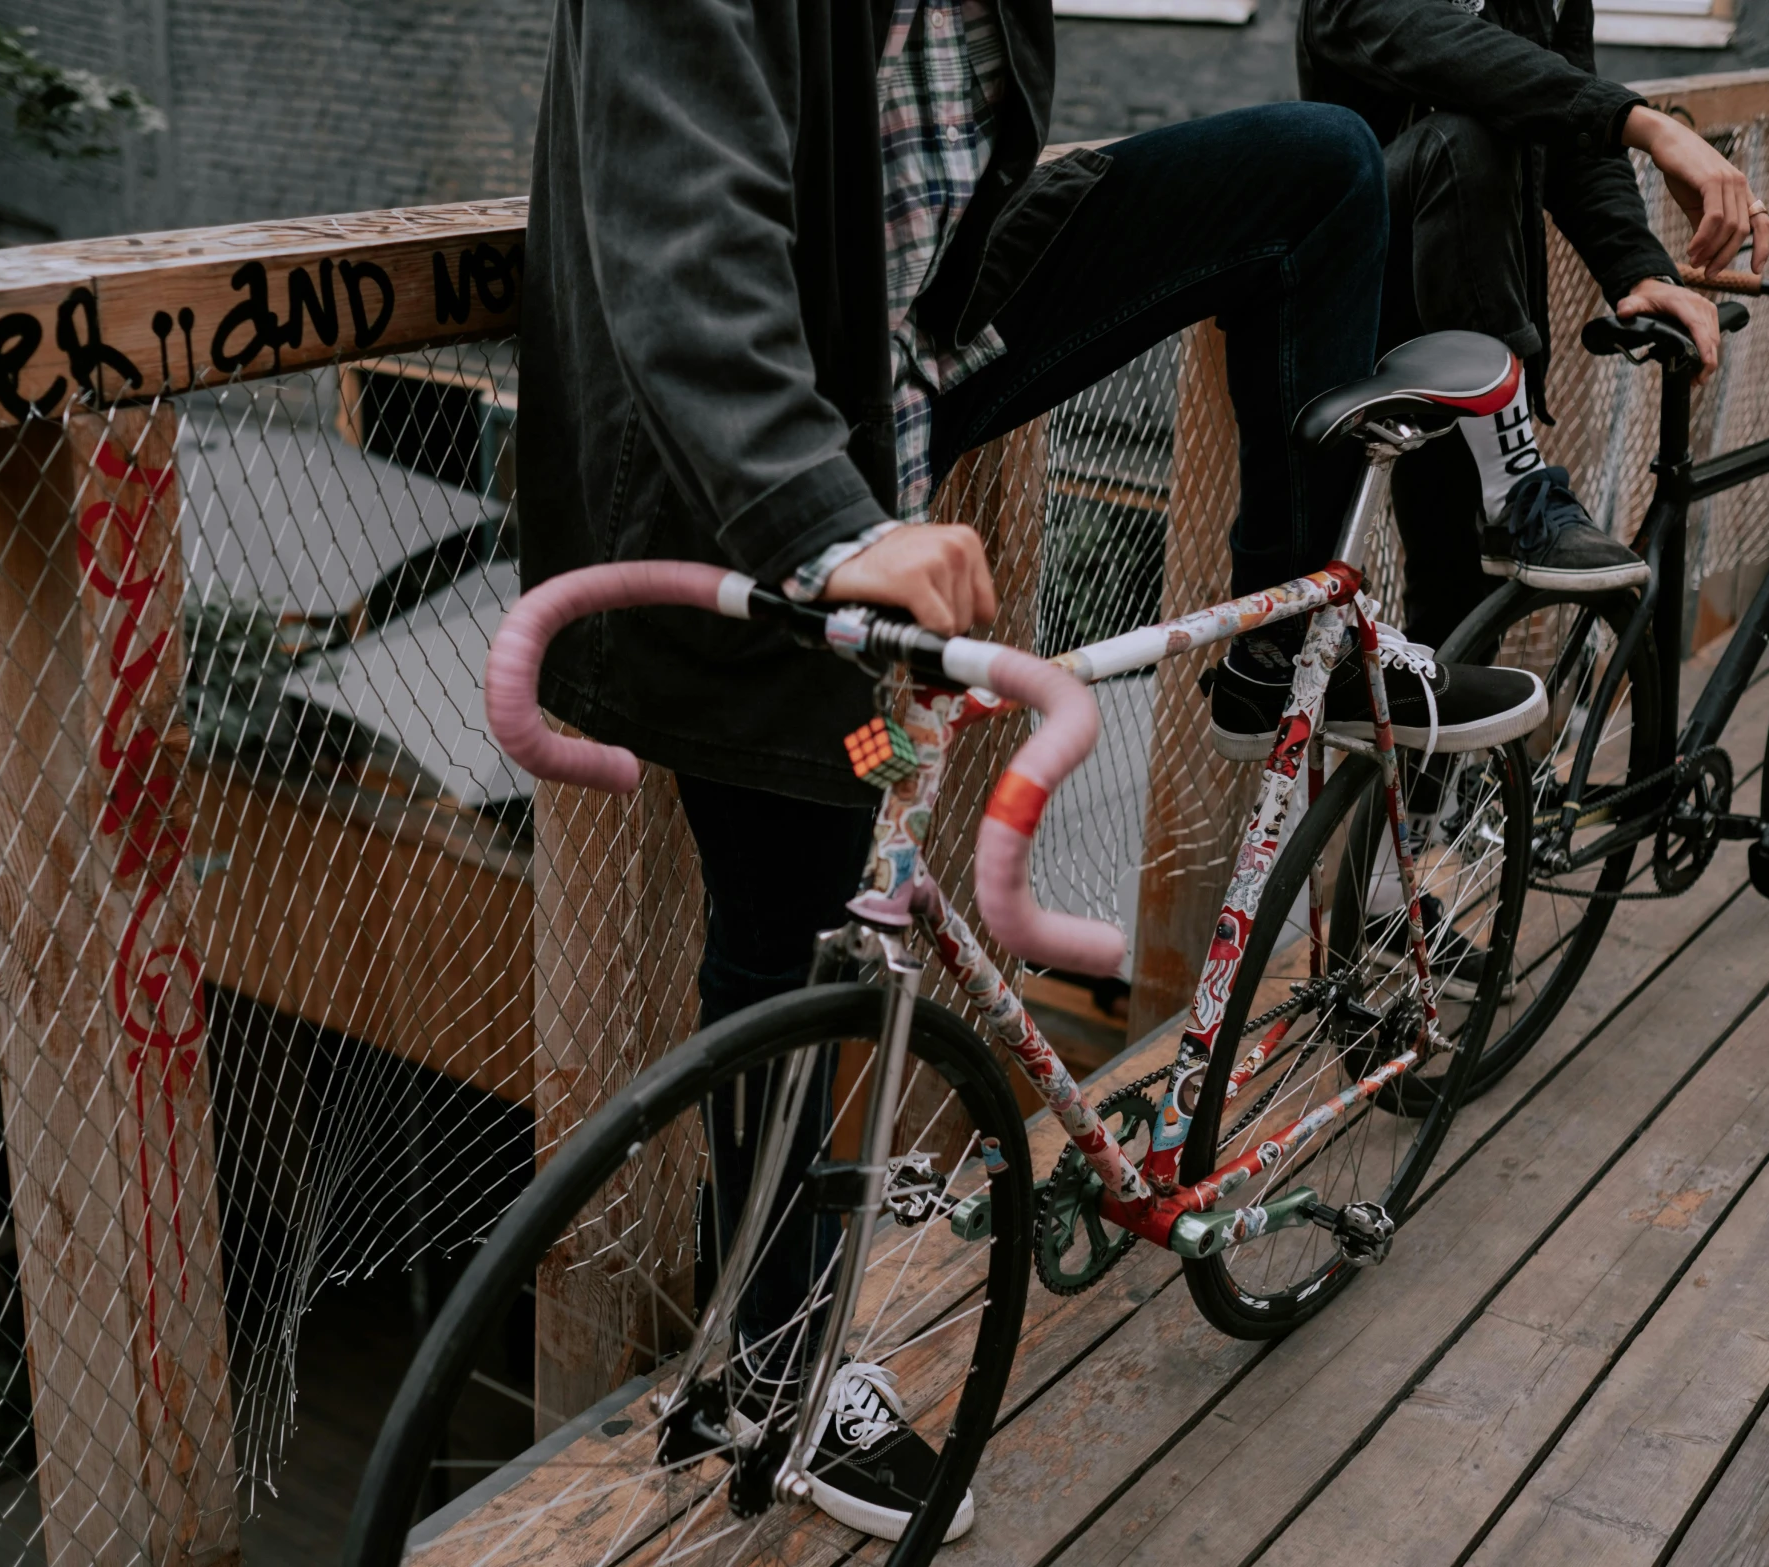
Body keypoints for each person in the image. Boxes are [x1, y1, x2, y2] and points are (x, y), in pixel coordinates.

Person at [518, 0, 1542, 1539]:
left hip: (923, 348)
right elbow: (681, 223)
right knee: (795, 911)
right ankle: (781, 1367)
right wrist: (827, 518)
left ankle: (1288, 646)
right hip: (747, 462)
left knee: (1319, 165)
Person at [1298, 0, 1769, 649]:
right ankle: (1518, 484)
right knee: (1464, 133)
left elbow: (1572, 132)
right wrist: (1649, 127)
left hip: (1472, 314)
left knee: (1460, 626)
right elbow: (1425, 41)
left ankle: (1440, 742)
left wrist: (1638, 269)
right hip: (1356, 313)